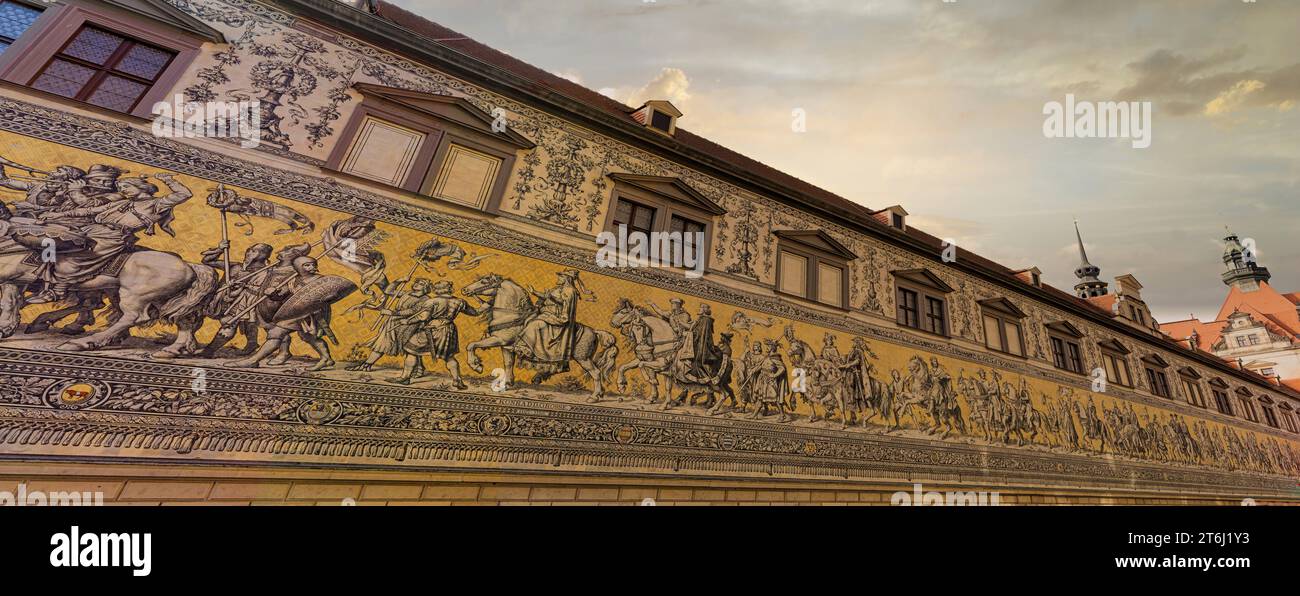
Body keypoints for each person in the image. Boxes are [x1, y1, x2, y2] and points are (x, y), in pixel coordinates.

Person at [29, 173, 191, 303]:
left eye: (126, 186)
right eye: (121, 187)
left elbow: (184, 194)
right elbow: (89, 211)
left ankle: (58, 291)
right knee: (51, 240)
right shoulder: (121, 203)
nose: (123, 190)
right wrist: (56, 215)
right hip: (90, 229)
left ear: (141, 187)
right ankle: (43, 281)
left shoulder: (156, 204)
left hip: (112, 237)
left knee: (76, 258)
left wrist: (168, 180)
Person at [232, 256, 341, 371]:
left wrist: (328, 298)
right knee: (307, 336)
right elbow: (280, 296)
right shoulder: (293, 280)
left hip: (310, 314)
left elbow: (330, 296)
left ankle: (253, 361)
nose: (312, 267)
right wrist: (272, 294)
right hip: (295, 313)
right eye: (307, 265)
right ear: (298, 267)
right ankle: (326, 359)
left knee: (278, 332)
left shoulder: (320, 280)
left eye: (313, 264)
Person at [392, 280, 481, 388]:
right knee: (449, 357)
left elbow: (423, 317)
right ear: (450, 289)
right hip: (449, 330)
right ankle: (457, 380)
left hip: (431, 329)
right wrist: (482, 302)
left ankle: (405, 378)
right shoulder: (460, 302)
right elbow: (475, 312)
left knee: (411, 351)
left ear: (437, 290)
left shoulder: (432, 301)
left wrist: (407, 321)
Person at [200, 241, 273, 357]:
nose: (248, 252)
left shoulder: (266, 272)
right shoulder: (235, 266)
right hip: (221, 301)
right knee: (248, 322)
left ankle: (208, 351)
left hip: (243, 304)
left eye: (254, 251)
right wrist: (219, 249)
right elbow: (207, 261)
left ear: (263, 255)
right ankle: (252, 344)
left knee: (230, 324)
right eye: (249, 249)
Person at [347, 278, 434, 374]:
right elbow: (388, 291)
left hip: (408, 324)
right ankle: (366, 365)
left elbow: (413, 311)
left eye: (421, 283)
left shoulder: (425, 299)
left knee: (410, 347)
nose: (416, 283)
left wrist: (393, 313)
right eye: (416, 281)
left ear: (426, 287)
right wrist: (398, 281)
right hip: (394, 322)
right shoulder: (407, 293)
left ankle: (418, 369)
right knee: (383, 342)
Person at [515, 269, 590, 372]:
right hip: (548, 314)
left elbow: (564, 305)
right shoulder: (559, 288)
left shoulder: (569, 290)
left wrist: (551, 297)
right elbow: (547, 297)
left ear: (566, 279)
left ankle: (527, 349)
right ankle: (531, 351)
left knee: (535, 324)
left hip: (558, 318)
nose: (558, 278)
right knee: (529, 320)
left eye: (561, 277)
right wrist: (534, 292)